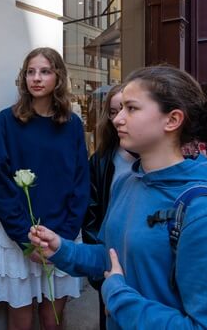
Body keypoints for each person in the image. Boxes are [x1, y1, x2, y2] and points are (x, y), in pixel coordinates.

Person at [29, 65, 207, 329]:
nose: (117, 119)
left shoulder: (206, 212)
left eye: (132, 108)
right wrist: (61, 249)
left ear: (172, 120)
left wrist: (119, 298)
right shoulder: (129, 182)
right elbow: (113, 257)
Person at [0, 47, 90, 330]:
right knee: (20, 320)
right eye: (30, 71)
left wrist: (62, 239)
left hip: (61, 234)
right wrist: (26, 240)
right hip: (19, 237)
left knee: (52, 320)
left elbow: (81, 184)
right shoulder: (6, 121)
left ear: (58, 77)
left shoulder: (72, 125)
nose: (37, 78)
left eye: (45, 71)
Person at [82, 84, 136, 330]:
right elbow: (91, 211)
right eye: (113, 112)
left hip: (140, 256)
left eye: (128, 109)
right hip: (109, 258)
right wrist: (97, 269)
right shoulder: (102, 159)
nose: (118, 119)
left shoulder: (151, 157)